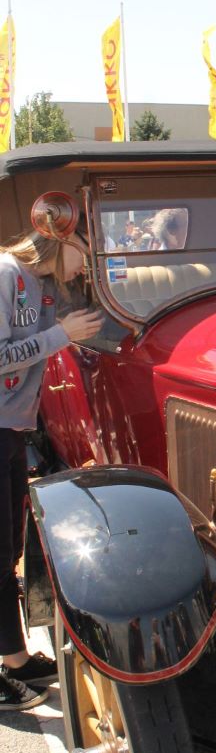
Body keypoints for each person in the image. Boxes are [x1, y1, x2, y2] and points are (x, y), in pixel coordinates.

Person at [0, 224, 103, 710]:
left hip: (10, 428)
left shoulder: (42, 284)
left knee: (6, 551)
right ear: (60, 240)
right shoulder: (6, 274)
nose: (85, 261)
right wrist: (62, 335)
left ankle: (15, 659)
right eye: (83, 248)